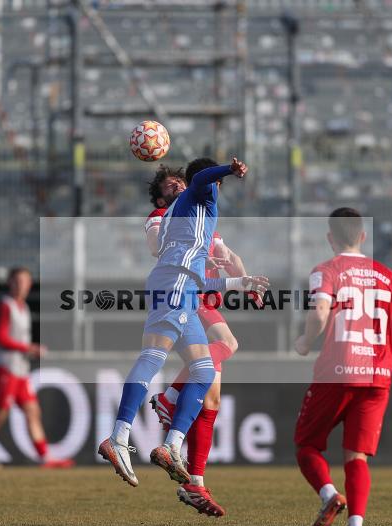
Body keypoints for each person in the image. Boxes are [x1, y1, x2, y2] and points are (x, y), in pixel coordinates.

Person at [98, 157, 267, 487]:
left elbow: (201, 279)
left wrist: (239, 283)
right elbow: (201, 175)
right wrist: (227, 171)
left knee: (203, 370)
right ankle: (118, 438)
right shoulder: (200, 194)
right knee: (153, 357)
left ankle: (172, 445)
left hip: (186, 286)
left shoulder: (187, 214)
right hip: (175, 283)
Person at [293, 208, 392, 526]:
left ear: (330, 238)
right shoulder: (386, 275)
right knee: (357, 456)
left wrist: (305, 341)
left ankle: (330, 495)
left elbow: (320, 311)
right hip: (377, 375)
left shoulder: (326, 270)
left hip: (337, 370)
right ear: (363, 236)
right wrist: (378, 343)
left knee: (307, 445)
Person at [143, 165, 247, 517]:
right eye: (170, 185)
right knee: (229, 346)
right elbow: (158, 247)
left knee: (211, 396)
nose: (178, 186)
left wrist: (242, 278)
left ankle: (195, 482)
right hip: (186, 292)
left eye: (180, 182)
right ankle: (169, 400)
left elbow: (231, 257)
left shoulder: (201, 214)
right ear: (161, 197)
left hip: (204, 295)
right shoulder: (164, 214)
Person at [0, 267, 73, 468]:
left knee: (32, 411)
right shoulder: (6, 306)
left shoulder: (23, 308)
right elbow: (1, 338)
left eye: (25, 281)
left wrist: (27, 350)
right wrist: (28, 348)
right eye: (17, 281)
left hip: (20, 370)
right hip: (6, 367)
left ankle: (45, 457)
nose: (21, 285)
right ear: (10, 282)